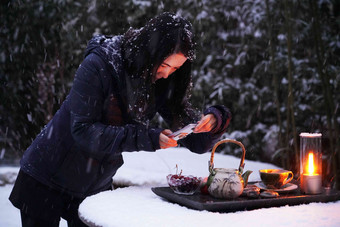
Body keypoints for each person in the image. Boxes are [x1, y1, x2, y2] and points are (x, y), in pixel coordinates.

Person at [9, 12, 231, 226]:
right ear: (150, 51)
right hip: (47, 177)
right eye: (164, 65)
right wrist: (148, 138)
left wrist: (215, 120)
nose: (167, 73)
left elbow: (196, 141)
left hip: (93, 186)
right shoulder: (99, 65)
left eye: (176, 68)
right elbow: (84, 131)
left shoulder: (159, 81)